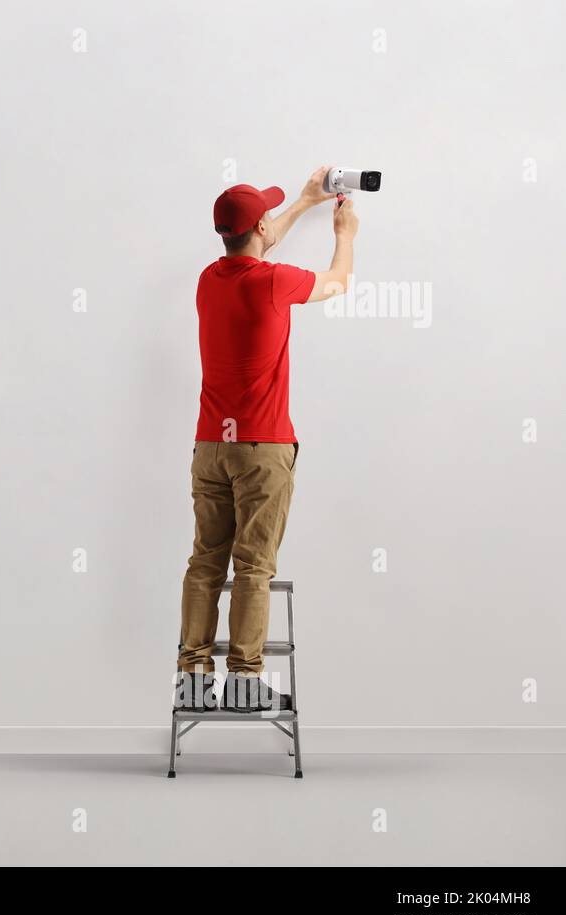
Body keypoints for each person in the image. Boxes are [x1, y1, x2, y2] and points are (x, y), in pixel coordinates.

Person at [174, 166, 358, 713]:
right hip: (263, 448)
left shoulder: (210, 279)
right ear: (258, 229)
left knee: (206, 560)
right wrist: (344, 235)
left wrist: (304, 200)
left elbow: (260, 237)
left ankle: (192, 676)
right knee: (253, 564)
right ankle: (246, 680)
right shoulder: (274, 283)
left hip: (210, 446)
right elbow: (338, 282)